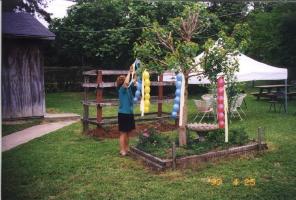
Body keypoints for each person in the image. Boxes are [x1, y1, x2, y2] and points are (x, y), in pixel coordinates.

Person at [116, 66, 137, 156]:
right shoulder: (121, 90)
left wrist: (134, 72)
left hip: (129, 113)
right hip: (123, 114)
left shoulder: (128, 89)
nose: (125, 82)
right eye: (123, 81)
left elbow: (133, 81)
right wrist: (129, 72)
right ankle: (122, 150)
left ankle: (127, 148)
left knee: (128, 132)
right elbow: (127, 82)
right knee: (123, 133)